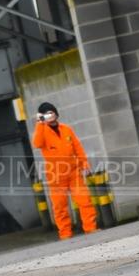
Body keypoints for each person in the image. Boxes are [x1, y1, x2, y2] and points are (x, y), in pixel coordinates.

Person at [32, 102, 97, 240]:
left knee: (85, 201)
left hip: (73, 172)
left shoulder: (66, 129)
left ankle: (91, 229)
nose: (50, 115)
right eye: (46, 113)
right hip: (55, 176)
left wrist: (84, 164)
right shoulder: (42, 130)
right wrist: (39, 123)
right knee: (60, 207)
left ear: (56, 113)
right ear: (42, 116)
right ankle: (65, 234)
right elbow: (37, 144)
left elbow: (77, 147)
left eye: (51, 112)